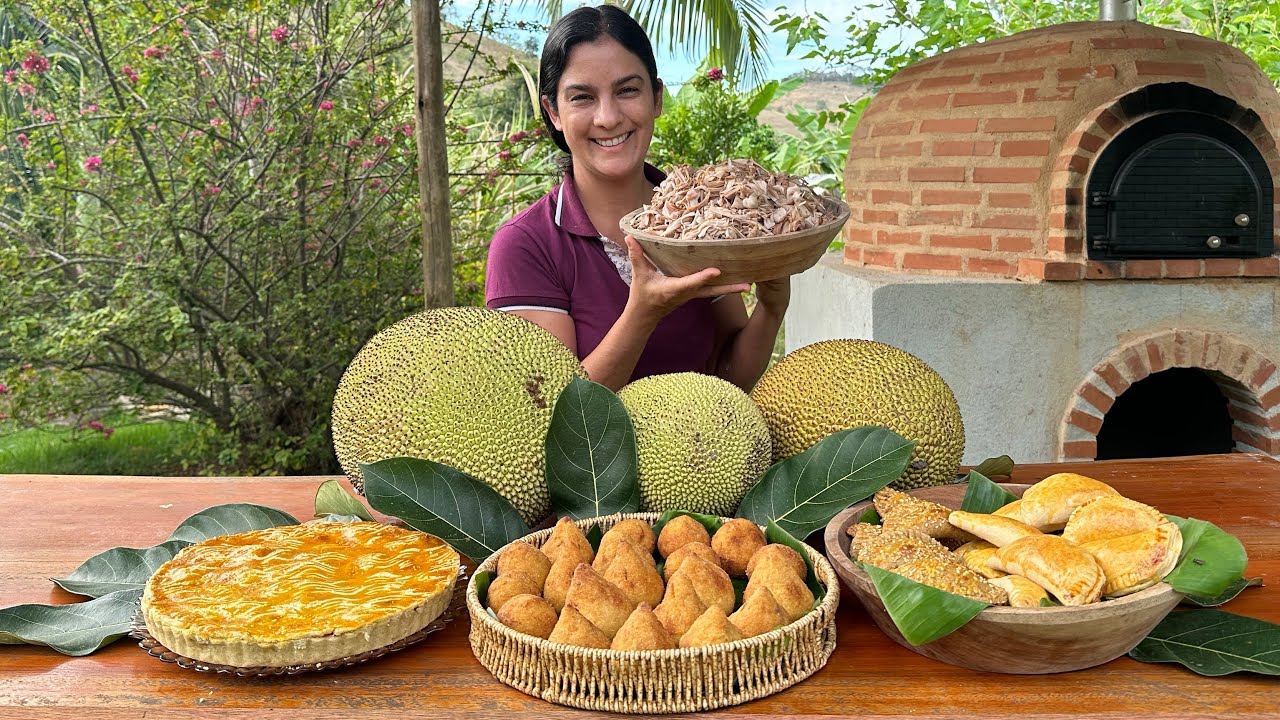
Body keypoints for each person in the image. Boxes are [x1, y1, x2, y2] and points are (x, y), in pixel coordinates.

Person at [484, 4, 789, 392]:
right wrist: (643, 313)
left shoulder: (705, 217)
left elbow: (729, 376)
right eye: (582, 97)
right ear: (553, 111)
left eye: (628, 90)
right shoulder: (526, 245)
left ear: (656, 98)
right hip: (597, 456)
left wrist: (772, 305)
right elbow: (549, 412)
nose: (608, 118)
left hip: (708, 447)